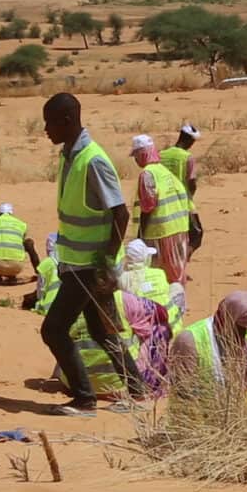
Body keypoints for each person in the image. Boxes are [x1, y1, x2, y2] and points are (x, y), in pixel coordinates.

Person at [40, 92, 145, 416]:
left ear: (67, 121)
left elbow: (121, 214)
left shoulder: (93, 159)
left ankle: (85, 399)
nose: (46, 130)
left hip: (90, 267)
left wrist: (105, 263)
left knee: (54, 329)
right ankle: (137, 392)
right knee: (101, 329)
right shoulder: (70, 156)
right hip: (77, 263)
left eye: (49, 123)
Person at [55, 290, 173, 398]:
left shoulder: (67, 299)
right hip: (118, 387)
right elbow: (161, 312)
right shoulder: (123, 298)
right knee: (160, 326)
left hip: (73, 385)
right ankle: (153, 384)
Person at [169, 291, 247, 406]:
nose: (243, 334)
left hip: (235, 416)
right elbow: (183, 392)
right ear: (226, 317)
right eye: (239, 328)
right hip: (197, 417)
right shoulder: (189, 340)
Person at [129, 134, 191, 285]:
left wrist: (140, 235)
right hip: (180, 229)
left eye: (136, 156)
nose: (135, 160)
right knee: (177, 275)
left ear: (141, 154)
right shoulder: (164, 171)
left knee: (158, 277)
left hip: (160, 233)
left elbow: (148, 206)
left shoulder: (147, 174)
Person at [118, 239, 183, 335]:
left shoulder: (123, 280)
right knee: (176, 287)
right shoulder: (159, 273)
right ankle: (178, 321)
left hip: (143, 330)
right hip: (169, 328)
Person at [159, 124, 203, 256]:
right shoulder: (186, 157)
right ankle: (181, 262)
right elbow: (192, 182)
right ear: (189, 140)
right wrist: (190, 196)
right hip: (183, 202)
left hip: (163, 202)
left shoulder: (161, 155)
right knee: (196, 235)